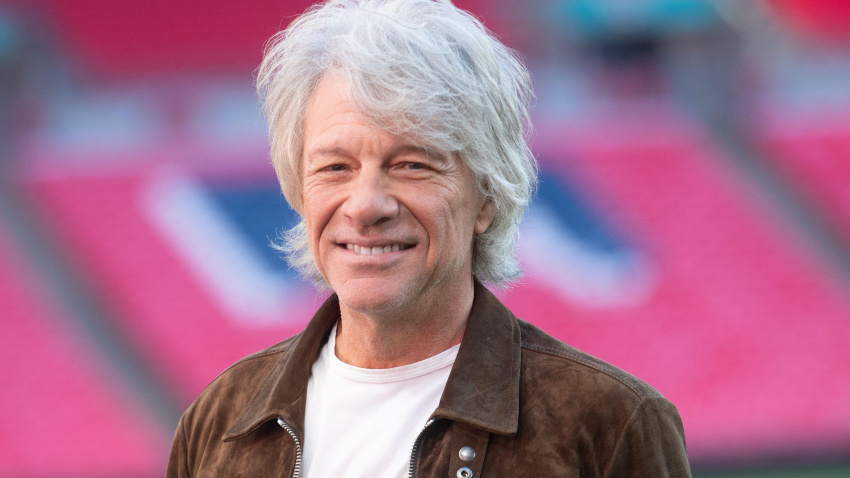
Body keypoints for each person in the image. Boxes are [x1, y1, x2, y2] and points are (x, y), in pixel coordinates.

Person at [166, 0, 692, 476]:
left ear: (487, 197)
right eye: (335, 167)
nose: (367, 204)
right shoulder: (220, 422)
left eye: (412, 164)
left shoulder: (610, 424)